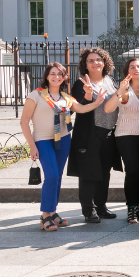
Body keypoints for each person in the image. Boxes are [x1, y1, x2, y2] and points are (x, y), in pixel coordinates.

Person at [21, 63, 106, 231]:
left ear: (64, 78)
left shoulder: (65, 97)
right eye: (53, 74)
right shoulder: (36, 95)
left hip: (64, 139)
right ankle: (45, 215)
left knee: (58, 177)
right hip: (43, 140)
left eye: (60, 74)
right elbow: (24, 121)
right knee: (51, 176)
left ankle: (53, 212)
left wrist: (96, 102)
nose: (56, 77)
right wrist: (32, 146)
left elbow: (81, 108)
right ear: (46, 76)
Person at [68, 47, 121, 224]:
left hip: (108, 133)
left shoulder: (110, 81)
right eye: (90, 60)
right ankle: (88, 210)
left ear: (105, 62)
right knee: (89, 172)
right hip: (89, 134)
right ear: (85, 64)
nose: (95, 63)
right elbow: (79, 106)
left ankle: (101, 206)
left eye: (98, 59)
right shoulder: (80, 83)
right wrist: (88, 96)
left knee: (105, 172)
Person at [104, 58, 139, 223]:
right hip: (125, 136)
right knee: (132, 171)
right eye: (132, 67)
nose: (136, 69)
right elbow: (108, 109)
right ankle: (131, 208)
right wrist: (119, 91)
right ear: (127, 72)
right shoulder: (125, 91)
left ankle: (136, 207)